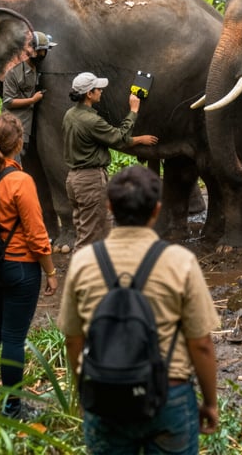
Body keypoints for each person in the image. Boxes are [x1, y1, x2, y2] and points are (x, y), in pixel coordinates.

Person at [59, 164, 219, 454]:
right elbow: (202, 344)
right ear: (157, 210)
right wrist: (210, 402)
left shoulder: (83, 262)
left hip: (105, 396)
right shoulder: (180, 261)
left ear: (109, 207)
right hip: (168, 395)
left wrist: (86, 392)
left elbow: (73, 339)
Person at [0, 112, 59, 419]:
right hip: (20, 268)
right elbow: (36, 233)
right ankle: (13, 406)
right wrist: (51, 271)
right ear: (18, 143)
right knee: (13, 338)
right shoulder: (21, 180)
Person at [62, 72, 158, 250]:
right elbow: (118, 138)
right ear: (89, 94)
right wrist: (134, 111)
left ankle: (98, 272)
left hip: (73, 180)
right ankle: (81, 274)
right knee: (91, 235)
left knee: (91, 228)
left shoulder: (70, 114)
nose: (101, 91)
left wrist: (138, 139)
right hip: (90, 180)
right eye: (98, 89)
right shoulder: (92, 120)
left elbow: (104, 138)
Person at [1, 30, 56, 158]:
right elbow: (8, 102)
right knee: (13, 165)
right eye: (41, 51)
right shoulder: (13, 71)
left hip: (26, 128)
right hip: (13, 129)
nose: (44, 54)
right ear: (32, 52)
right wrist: (32, 100)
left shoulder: (36, 67)